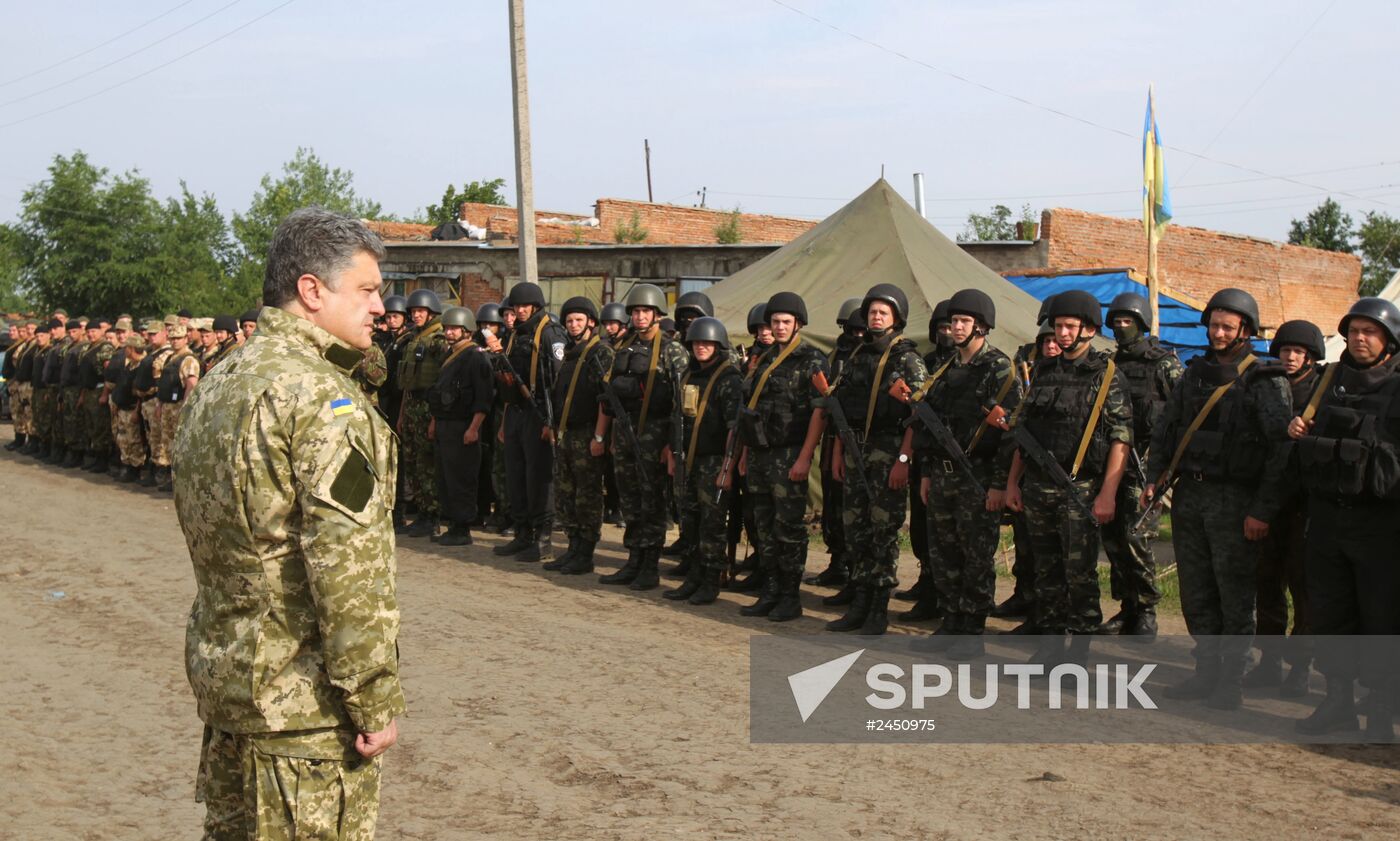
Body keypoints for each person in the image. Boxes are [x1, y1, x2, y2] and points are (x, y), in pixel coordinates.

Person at [172, 208, 404, 839]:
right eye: (366, 289)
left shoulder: (222, 381)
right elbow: (347, 574)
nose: (380, 306)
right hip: (305, 713)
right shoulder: (320, 400)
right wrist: (373, 699)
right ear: (311, 291)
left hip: (234, 688)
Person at [1145, 288, 1292, 710]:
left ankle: (1232, 679)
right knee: (1196, 590)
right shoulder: (1193, 375)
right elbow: (1166, 430)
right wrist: (1155, 478)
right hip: (1191, 495)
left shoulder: (1265, 380)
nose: (1219, 332)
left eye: (1228, 326)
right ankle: (1205, 669)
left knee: (1235, 595)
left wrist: (1262, 510)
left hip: (1237, 500)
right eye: (1214, 324)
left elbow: (1281, 452)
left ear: (1245, 329)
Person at [1288, 298, 1400, 740]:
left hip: (1381, 527)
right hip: (1328, 520)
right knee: (1330, 614)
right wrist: (1299, 430)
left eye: (1369, 331)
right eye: (1353, 330)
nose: (1359, 337)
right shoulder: (1326, 381)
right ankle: (1337, 702)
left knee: (1381, 620)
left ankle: (1379, 711)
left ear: (1388, 339)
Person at [1005, 290, 1132, 666]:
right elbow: (1023, 434)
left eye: (1069, 327)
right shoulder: (1043, 371)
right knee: (1046, 572)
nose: (1060, 333)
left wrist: (1108, 492)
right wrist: (1014, 482)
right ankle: (1049, 646)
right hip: (1039, 487)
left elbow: (1120, 439)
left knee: (1079, 575)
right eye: (1057, 326)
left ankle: (1078, 652)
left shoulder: (1107, 375)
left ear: (1090, 330)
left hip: (1080, 489)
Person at [912, 289, 1020, 658]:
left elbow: (1009, 436)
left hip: (978, 477)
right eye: (953, 321)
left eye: (963, 322)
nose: (955, 327)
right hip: (942, 476)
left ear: (982, 327)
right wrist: (927, 473)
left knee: (975, 556)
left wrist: (998, 485)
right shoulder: (945, 369)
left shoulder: (999, 369)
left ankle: (972, 630)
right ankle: (952, 620)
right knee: (943, 552)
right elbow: (930, 427)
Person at [826, 284, 927, 634]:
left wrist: (903, 459)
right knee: (856, 531)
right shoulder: (857, 355)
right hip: (855, 453)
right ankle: (860, 602)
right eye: (872, 312)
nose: (876, 317)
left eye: (883, 312)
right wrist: (839, 453)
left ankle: (879, 609)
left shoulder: (907, 359)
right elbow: (840, 409)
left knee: (883, 532)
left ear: (896, 318)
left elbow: (918, 415)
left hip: (888, 455)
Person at [733, 292, 829, 621]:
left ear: (798, 324)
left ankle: (790, 596)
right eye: (775, 321)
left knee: (788, 528)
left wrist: (804, 458)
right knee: (762, 527)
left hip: (789, 454)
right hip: (759, 453)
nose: (779, 326)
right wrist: (746, 453)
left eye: (786, 322)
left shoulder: (811, 360)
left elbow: (820, 414)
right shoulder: (761, 359)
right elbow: (751, 409)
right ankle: (770, 590)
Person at [1097, 292, 1183, 639]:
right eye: (1115, 321)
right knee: (1114, 539)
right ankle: (1126, 607)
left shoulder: (1164, 364)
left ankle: (1147, 609)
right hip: (1113, 463)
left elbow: (1182, 411)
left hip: (1148, 465)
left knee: (1137, 538)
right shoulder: (1109, 364)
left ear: (1142, 323)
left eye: (1127, 321)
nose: (1120, 326)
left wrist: (1165, 466)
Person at [595, 283, 690, 590]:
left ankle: (650, 565)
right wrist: (609, 435)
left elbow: (680, 404)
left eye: (645, 311)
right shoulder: (624, 346)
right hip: (625, 432)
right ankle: (634, 558)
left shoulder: (672, 350)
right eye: (635, 311)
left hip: (655, 434)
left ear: (657, 314)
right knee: (629, 498)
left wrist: (671, 446)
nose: (639, 317)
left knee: (653, 500)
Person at [1246, 319, 1323, 696]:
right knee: (1266, 584)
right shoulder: (1264, 385)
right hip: (1266, 502)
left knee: (1303, 589)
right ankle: (1270, 661)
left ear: (1310, 355)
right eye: (1286, 350)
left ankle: (1301, 667)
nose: (1290, 357)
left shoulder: (1324, 390)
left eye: (1298, 351)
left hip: (1304, 507)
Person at [663, 316, 744, 605]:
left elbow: (735, 428)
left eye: (707, 343)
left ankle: (711, 581)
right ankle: (694, 576)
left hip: (713, 462)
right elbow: (677, 418)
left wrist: (727, 468)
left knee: (712, 525)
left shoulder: (729, 379)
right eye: (696, 342)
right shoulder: (687, 374)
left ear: (718, 344)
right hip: (688, 460)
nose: (701, 347)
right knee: (690, 521)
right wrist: (673, 454)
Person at [492, 281, 567, 562]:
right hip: (515, 413)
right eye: (516, 306)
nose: (520, 311)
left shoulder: (550, 334)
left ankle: (542, 538)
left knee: (539, 478)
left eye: (525, 306)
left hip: (540, 415)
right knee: (516, 475)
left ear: (535, 306)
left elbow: (559, 381)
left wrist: (553, 422)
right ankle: (522, 534)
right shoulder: (515, 335)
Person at [544, 297, 614, 575]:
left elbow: (605, 401)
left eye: (579, 320)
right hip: (566, 432)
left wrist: (599, 437)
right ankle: (573, 547)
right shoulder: (571, 354)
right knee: (565, 492)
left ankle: (585, 552)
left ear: (591, 323)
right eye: (570, 321)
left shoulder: (601, 352)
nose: (573, 325)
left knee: (587, 494)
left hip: (587, 433)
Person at [896, 298, 954, 620]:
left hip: (950, 457)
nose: (947, 332)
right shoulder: (926, 363)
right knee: (921, 525)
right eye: (942, 327)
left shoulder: (967, 367)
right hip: (922, 455)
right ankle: (926, 579)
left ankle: (938, 594)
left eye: (951, 326)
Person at [809, 297, 865, 590]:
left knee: (851, 507)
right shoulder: (831, 358)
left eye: (860, 331)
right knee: (832, 503)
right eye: (850, 330)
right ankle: (837, 561)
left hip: (855, 443)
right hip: (831, 440)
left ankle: (854, 569)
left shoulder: (868, 361)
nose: (855, 337)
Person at [428, 306, 494, 547]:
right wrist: (435, 422)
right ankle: (453, 524)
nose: (450, 332)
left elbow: (483, 397)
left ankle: (463, 527)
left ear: (467, 330)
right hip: (446, 424)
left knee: (461, 478)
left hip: (464, 425)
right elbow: (440, 391)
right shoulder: (450, 354)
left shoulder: (475, 356)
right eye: (447, 328)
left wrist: (474, 428)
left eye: (455, 328)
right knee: (446, 477)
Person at [396, 288, 449, 538]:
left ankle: (432, 516)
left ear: (431, 313)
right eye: (414, 311)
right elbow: (408, 382)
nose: (416, 315)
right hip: (412, 406)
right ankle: (422, 514)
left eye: (420, 311)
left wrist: (435, 418)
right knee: (413, 463)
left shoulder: (438, 340)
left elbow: (442, 382)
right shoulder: (412, 339)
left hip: (429, 407)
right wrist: (402, 415)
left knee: (427, 464)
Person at [598, 301, 628, 525]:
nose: (609, 327)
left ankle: (620, 507)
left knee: (620, 463)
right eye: (606, 323)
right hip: (605, 411)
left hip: (623, 416)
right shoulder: (605, 348)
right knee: (608, 464)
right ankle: (610, 505)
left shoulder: (627, 348)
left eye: (613, 323)